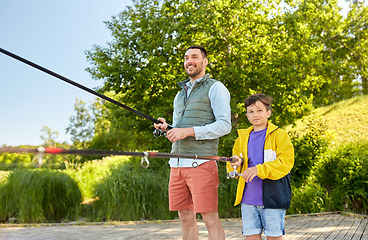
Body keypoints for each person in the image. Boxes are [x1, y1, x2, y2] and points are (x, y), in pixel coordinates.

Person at [154, 45, 231, 240]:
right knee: (185, 217)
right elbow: (178, 130)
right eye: (186, 57)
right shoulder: (179, 95)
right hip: (177, 164)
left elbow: (224, 125)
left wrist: (186, 132)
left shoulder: (216, 87)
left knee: (209, 218)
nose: (189, 61)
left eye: (194, 57)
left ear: (204, 62)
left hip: (202, 162)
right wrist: (167, 129)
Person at [227, 93, 294, 240]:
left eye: (259, 110)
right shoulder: (241, 138)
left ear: (268, 113)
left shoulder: (280, 135)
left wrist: (258, 169)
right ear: (247, 115)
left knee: (274, 237)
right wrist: (236, 163)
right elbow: (233, 163)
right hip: (248, 200)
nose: (255, 115)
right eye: (251, 111)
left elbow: (286, 162)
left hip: (273, 198)